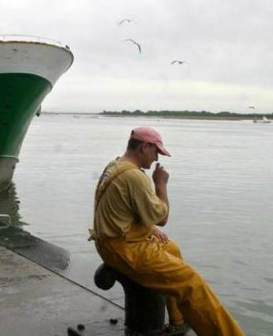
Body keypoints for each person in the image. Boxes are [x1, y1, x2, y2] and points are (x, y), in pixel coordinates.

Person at [90, 127, 244, 336]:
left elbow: (121, 210)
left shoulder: (115, 165)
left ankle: (178, 319)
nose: (156, 159)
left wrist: (148, 230)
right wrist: (160, 184)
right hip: (123, 249)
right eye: (156, 152)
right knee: (191, 282)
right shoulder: (136, 177)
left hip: (110, 241)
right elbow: (162, 218)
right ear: (145, 147)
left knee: (172, 248)